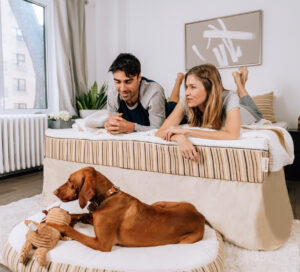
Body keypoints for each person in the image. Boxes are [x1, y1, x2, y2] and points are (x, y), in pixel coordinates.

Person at [155, 64, 263, 162]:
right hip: (231, 104)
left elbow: (232, 135)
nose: (187, 92)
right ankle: (240, 82)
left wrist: (186, 131)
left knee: (251, 107)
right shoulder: (186, 99)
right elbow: (160, 132)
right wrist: (179, 138)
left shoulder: (230, 97)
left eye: (193, 87)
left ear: (209, 88)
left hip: (250, 113)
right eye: (187, 87)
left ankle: (240, 82)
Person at [105, 53, 172, 134]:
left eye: (128, 82)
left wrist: (131, 127)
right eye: (118, 82)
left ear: (139, 78)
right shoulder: (113, 94)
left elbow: (158, 130)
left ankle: (178, 80)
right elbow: (114, 124)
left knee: (173, 101)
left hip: (170, 110)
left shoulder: (154, 91)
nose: (122, 89)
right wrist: (110, 125)